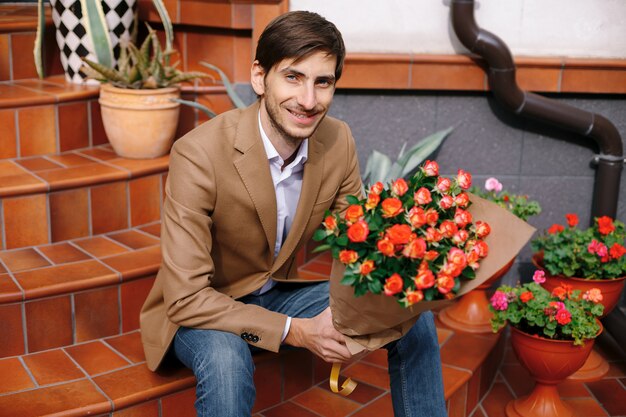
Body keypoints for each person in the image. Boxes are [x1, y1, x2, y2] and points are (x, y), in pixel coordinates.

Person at [140, 10, 447, 417]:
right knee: (227, 362)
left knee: (413, 316)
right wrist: (298, 332)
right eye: (293, 77)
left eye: (323, 82)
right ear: (258, 77)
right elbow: (187, 297)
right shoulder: (198, 154)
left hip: (276, 293)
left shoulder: (338, 141)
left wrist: (389, 296)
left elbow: (358, 243)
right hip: (203, 306)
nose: (308, 100)